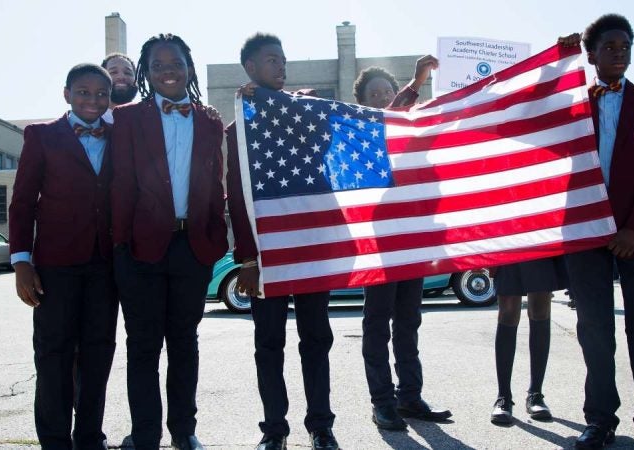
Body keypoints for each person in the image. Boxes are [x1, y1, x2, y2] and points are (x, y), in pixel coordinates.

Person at [560, 14, 634, 450]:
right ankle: (599, 420)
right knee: (594, 328)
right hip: (585, 232)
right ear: (591, 55)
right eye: (608, 46)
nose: (618, 51)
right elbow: (530, 107)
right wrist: (559, 58)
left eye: (625, 45)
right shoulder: (569, 103)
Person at [110, 33, 228, 450]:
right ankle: (145, 434)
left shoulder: (210, 120)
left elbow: (216, 185)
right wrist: (120, 245)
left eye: (175, 63)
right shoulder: (125, 118)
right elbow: (118, 184)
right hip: (139, 250)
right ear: (147, 73)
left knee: (184, 344)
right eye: (157, 65)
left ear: (189, 68)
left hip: (192, 250)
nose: (168, 71)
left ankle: (184, 432)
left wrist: (215, 242)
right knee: (142, 346)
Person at [226, 33, 338, 450]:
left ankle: (321, 426)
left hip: (310, 248)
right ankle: (274, 430)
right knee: (268, 343)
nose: (281, 67)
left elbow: (318, 111)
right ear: (250, 69)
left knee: (317, 340)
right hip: (265, 254)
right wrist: (247, 258)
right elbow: (235, 196)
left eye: (283, 61)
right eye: (271, 61)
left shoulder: (303, 108)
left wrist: (283, 99)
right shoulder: (238, 129)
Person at [9, 63, 118, 450]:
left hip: (106, 266)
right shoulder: (41, 136)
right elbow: (22, 203)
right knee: (53, 355)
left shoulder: (119, 136)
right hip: (54, 265)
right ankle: (54, 441)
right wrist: (22, 261)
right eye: (84, 92)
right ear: (67, 94)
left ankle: (90, 437)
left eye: (101, 93)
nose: (93, 99)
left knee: (98, 353)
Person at [352, 59, 453, 432]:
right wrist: (415, 83)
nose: (382, 100)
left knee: (409, 320)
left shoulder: (411, 134)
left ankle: (410, 396)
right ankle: (382, 401)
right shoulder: (361, 130)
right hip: (379, 244)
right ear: (361, 102)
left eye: (387, 93)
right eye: (373, 95)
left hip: (413, 240)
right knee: (377, 323)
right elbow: (386, 122)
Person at [489, 257, 568, 424]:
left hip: (539, 243)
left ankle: (536, 395)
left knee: (540, 310)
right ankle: (503, 397)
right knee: (507, 312)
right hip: (507, 243)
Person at [100, 52, 138, 124]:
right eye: (113, 72)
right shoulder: (91, 123)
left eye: (127, 73)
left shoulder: (149, 120)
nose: (121, 77)